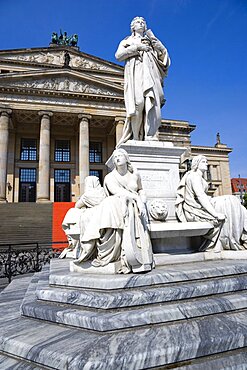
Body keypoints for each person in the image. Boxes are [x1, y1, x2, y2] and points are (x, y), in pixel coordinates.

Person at [75, 148, 153, 273]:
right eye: (115, 156)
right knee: (110, 203)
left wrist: (142, 198)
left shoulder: (135, 175)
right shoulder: (110, 177)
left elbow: (140, 189)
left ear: (126, 158)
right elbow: (117, 192)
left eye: (120, 155)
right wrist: (137, 199)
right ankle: (107, 251)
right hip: (119, 202)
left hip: (133, 204)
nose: (117, 158)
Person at [115, 16, 170, 145]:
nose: (141, 24)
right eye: (137, 22)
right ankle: (135, 137)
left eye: (142, 23)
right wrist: (137, 48)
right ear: (132, 27)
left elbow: (163, 57)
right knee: (138, 104)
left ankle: (150, 135)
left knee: (151, 104)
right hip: (136, 74)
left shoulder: (151, 41)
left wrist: (153, 41)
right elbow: (118, 56)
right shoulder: (127, 41)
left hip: (150, 75)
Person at [175, 155, 247, 252]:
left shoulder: (198, 177)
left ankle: (243, 238)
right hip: (196, 208)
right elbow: (200, 196)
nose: (207, 164)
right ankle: (232, 240)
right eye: (204, 162)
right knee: (231, 200)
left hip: (204, 203)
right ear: (196, 164)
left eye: (207, 162)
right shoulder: (194, 176)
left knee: (241, 208)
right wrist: (215, 214)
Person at [60, 176, 106, 259]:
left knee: (72, 211)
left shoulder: (87, 195)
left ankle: (76, 245)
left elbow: (77, 206)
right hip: (104, 216)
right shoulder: (104, 192)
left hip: (91, 217)